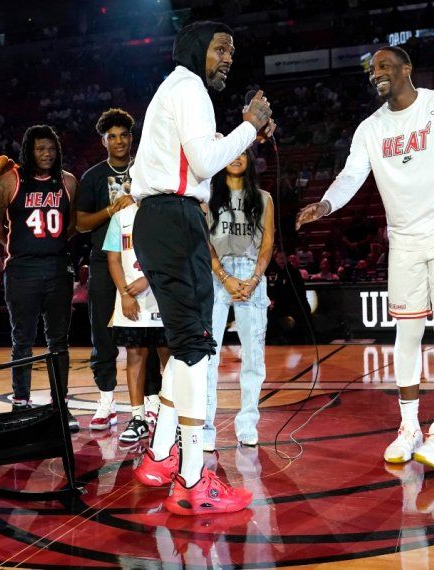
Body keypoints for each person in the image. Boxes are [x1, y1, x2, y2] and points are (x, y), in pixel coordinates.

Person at [296, 46, 434, 471]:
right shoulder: (371, 127)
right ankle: (409, 428)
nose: (376, 74)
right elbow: (352, 173)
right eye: (371, 69)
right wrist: (326, 205)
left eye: (384, 66)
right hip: (403, 239)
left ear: (408, 68)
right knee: (405, 336)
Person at [129, 20, 274, 515]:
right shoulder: (189, 86)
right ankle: (193, 480)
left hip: (160, 220)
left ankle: (159, 455)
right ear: (196, 49)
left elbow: (202, 151)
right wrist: (251, 126)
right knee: (194, 346)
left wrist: (244, 131)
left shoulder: (175, 90)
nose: (228, 57)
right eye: (221, 48)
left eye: (232, 50)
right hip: (173, 219)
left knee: (185, 343)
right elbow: (208, 160)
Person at [0, 125, 80, 431]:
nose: (47, 154)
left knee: (59, 342)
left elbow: (74, 223)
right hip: (22, 271)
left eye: (51, 148)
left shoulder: (67, 181)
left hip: (57, 269)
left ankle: (59, 404)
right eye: (40, 148)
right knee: (22, 341)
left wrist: (52, 247)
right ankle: (20, 402)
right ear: (29, 150)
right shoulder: (11, 181)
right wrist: (12, 245)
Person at [75, 108, 162, 431]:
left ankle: (152, 401)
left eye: (124, 135)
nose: (119, 141)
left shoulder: (147, 170)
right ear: (103, 141)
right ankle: (106, 401)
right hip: (105, 260)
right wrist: (112, 209)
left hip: (144, 262)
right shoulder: (94, 177)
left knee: (148, 334)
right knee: (104, 334)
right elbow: (81, 223)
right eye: (112, 136)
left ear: (131, 137)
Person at [205, 148, 274, 450]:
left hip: (251, 275)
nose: (236, 158)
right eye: (231, 153)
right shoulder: (206, 196)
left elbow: (268, 243)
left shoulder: (263, 198)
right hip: (216, 273)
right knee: (208, 356)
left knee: (254, 356)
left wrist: (255, 278)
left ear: (249, 160)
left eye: (242, 153)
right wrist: (224, 276)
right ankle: (206, 426)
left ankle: (247, 423)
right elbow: (203, 241)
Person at [103, 184, 170, 443]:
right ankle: (138, 416)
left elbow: (171, 257)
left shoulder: (166, 215)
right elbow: (113, 259)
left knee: (169, 357)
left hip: (160, 297)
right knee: (134, 355)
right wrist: (125, 293)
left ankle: (169, 414)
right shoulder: (121, 218)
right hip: (131, 301)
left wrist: (148, 281)